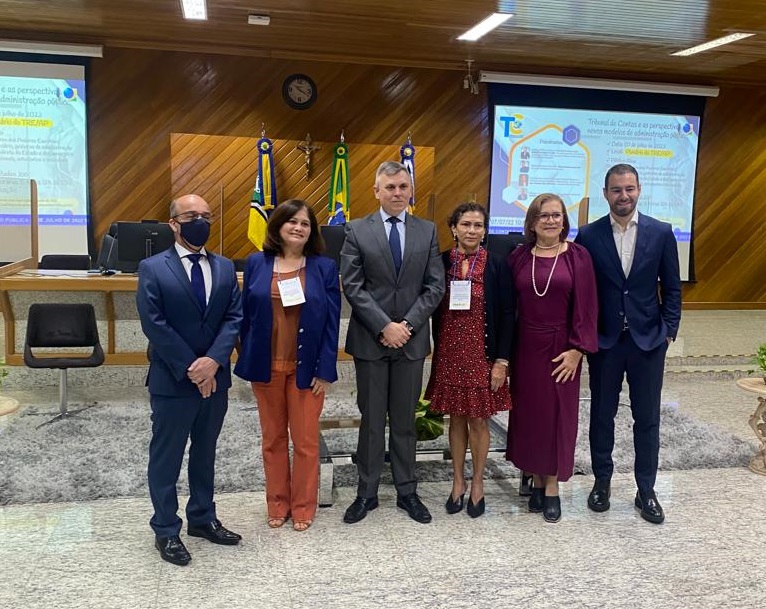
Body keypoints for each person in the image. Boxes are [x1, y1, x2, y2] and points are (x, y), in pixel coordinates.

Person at [137, 193, 243, 566]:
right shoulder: (152, 267)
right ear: (173, 223)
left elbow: (234, 319)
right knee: (166, 456)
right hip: (173, 379)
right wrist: (192, 368)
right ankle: (166, 529)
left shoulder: (227, 267)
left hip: (216, 379)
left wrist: (213, 362)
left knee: (205, 451)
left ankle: (202, 518)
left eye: (206, 215)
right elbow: (155, 324)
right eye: (191, 215)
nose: (200, 221)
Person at [575, 164, 681, 524]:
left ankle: (646, 489)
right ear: (605, 193)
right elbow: (583, 291)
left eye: (630, 189)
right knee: (602, 415)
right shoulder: (588, 236)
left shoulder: (661, 232)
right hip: (605, 342)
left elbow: (672, 287)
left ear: (639, 190)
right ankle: (601, 482)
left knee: (647, 418)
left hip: (648, 342)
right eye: (617, 190)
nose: (624, 196)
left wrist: (669, 331)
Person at [340, 161, 445, 525]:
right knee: (371, 419)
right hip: (371, 340)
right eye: (390, 187)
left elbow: (435, 286)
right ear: (376, 191)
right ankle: (365, 494)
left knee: (404, 420)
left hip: (411, 343)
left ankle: (407, 491)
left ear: (410, 189)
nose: (398, 193)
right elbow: (352, 286)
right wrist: (385, 325)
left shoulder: (427, 231)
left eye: (403, 186)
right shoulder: (356, 230)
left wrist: (408, 325)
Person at [234, 200, 340, 532]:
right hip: (266, 367)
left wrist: (325, 369)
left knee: (306, 441)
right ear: (278, 226)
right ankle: (277, 503)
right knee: (273, 439)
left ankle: (304, 505)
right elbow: (245, 316)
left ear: (312, 231)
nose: (298, 228)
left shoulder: (323, 267)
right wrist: (246, 353)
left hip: (307, 370)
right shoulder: (256, 263)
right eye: (291, 222)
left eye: (305, 224)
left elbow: (331, 322)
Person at [506, 193, 598, 523]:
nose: (550, 220)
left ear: (564, 221)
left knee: (558, 417)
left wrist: (577, 351)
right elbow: (507, 307)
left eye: (556, 215)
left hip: (562, 349)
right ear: (532, 222)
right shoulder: (518, 257)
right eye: (544, 215)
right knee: (530, 415)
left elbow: (587, 308)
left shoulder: (578, 257)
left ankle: (552, 487)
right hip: (526, 347)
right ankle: (532, 475)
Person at [425, 203, 514, 518]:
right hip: (449, 352)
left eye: (478, 225)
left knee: (478, 419)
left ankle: (478, 483)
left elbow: (507, 314)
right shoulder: (439, 262)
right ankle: (458, 482)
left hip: (481, 353)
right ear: (453, 227)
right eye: (466, 224)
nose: (472, 230)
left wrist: (502, 360)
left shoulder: (497, 265)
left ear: (485, 230)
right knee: (456, 419)